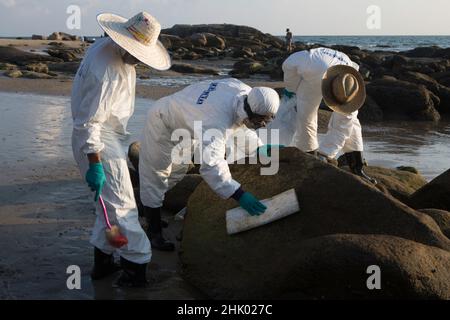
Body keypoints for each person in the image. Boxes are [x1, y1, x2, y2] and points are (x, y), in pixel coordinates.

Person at [71, 11, 171, 287]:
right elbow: (89, 122)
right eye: (137, 53)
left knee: (107, 207)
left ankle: (103, 262)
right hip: (98, 141)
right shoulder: (106, 72)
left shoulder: (104, 47)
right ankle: (134, 268)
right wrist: (95, 162)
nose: (139, 59)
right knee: (124, 207)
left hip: (107, 136)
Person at [138, 79, 280, 250]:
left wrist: (259, 149)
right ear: (250, 111)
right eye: (260, 121)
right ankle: (154, 232)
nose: (262, 125)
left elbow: (238, 126)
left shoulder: (248, 94)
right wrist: (238, 193)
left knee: (177, 172)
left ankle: (148, 208)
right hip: (162, 122)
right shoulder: (216, 120)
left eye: (267, 121)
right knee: (156, 176)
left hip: (189, 122)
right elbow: (211, 164)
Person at [282, 47, 376, 184]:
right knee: (306, 114)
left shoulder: (350, 86)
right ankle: (309, 154)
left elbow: (342, 130)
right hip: (315, 73)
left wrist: (326, 154)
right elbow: (288, 64)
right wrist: (291, 87)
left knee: (350, 122)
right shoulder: (309, 64)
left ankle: (357, 166)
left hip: (336, 72)